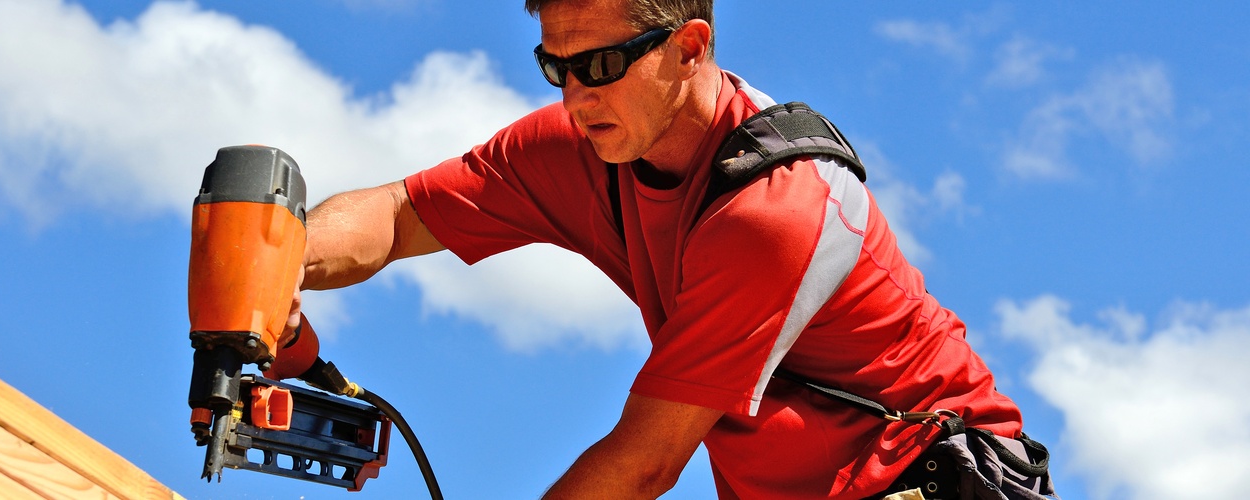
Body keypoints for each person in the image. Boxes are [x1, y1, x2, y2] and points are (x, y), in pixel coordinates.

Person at [290, 0, 1052, 498]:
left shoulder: (775, 210)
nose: (576, 97)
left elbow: (645, 462)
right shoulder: (584, 143)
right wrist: (271, 260)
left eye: (600, 67)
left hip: (927, 479)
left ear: (689, 48)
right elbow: (397, 214)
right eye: (555, 67)